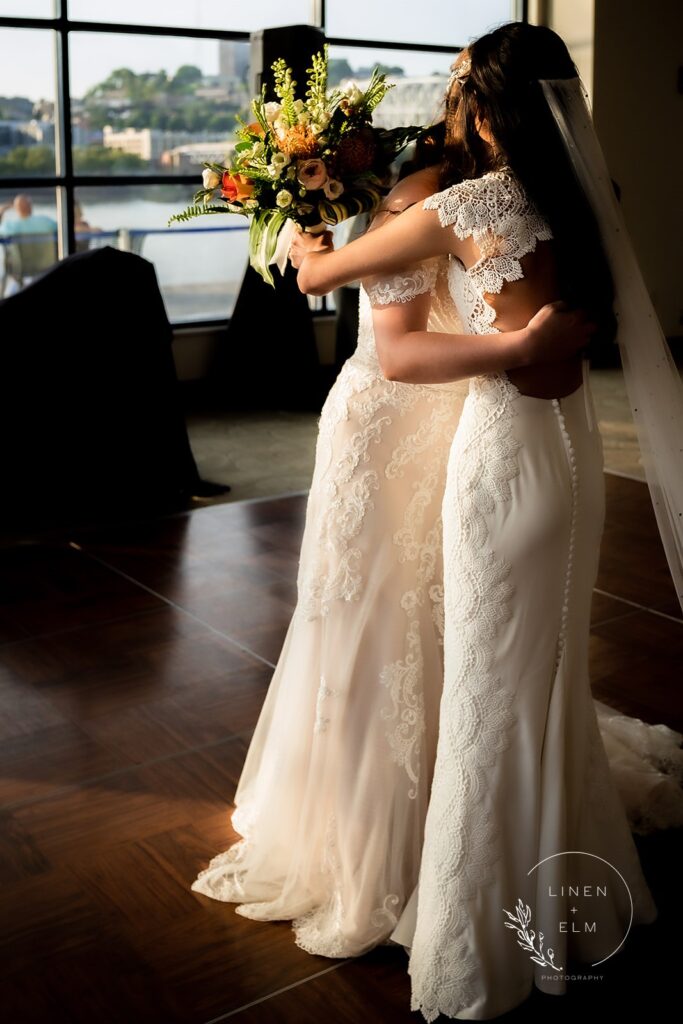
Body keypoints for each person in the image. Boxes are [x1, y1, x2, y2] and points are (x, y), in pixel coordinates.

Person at [289, 22, 683, 1019]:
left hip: (502, 458)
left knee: (482, 685)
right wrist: (535, 336)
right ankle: (568, 898)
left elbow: (333, 294)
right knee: (544, 677)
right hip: (576, 459)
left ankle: (479, 936)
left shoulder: (471, 202)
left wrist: (309, 242)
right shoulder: (593, 199)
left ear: (481, 101)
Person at [189, 125, 591, 957]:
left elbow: (341, 301)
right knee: (377, 601)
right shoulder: (460, 203)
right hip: (409, 418)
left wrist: (309, 243)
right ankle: (383, 804)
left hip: (429, 411)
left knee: (407, 601)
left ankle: (416, 807)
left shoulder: (430, 205)